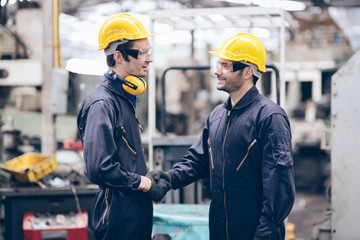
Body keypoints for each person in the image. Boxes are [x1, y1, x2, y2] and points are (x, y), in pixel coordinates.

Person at [150, 33, 295, 240]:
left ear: (247, 72)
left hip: (255, 231)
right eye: (218, 64)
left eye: (226, 66)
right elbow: (198, 160)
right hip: (219, 227)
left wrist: (264, 234)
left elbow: (279, 189)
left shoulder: (270, 117)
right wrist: (169, 179)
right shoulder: (217, 115)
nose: (217, 71)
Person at [77, 13, 170, 240]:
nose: (149, 59)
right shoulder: (103, 104)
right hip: (117, 214)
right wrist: (143, 183)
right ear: (119, 56)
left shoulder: (123, 98)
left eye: (150, 52)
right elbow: (99, 168)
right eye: (142, 53)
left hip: (132, 209)